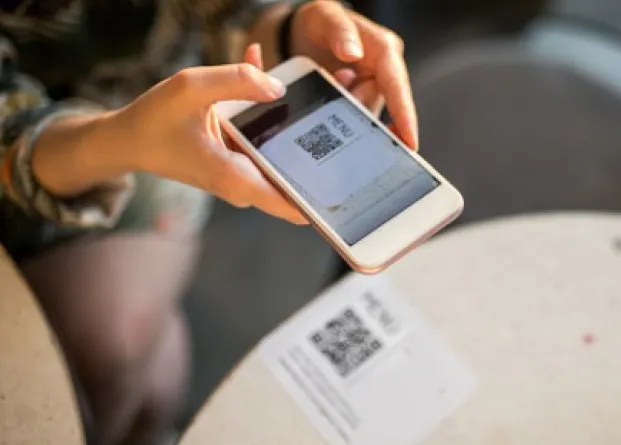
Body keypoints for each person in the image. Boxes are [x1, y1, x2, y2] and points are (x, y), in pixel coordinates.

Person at [0, 1, 417, 444]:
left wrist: (287, 31)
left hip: (171, 125)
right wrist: (119, 139)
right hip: (96, 138)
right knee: (131, 363)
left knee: (127, 352)